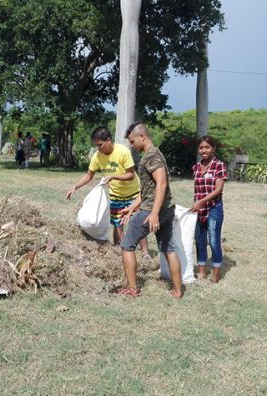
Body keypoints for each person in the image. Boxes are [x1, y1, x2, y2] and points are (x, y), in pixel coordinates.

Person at [119, 122, 183, 298]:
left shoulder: (152, 155)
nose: (132, 145)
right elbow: (150, 188)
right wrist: (132, 207)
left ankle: (132, 289)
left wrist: (154, 213)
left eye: (132, 141)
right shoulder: (153, 154)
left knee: (127, 245)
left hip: (153, 211)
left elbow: (162, 183)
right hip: (165, 209)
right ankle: (177, 291)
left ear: (142, 136)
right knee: (169, 249)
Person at [66, 126, 150, 257]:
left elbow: (131, 175)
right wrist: (75, 186)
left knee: (137, 224)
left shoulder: (123, 152)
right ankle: (119, 252)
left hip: (133, 194)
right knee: (117, 225)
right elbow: (89, 175)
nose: (98, 148)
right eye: (96, 145)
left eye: (100, 145)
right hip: (116, 195)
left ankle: (145, 253)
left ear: (109, 140)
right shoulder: (97, 156)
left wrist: (113, 176)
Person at [190, 136, 227, 283]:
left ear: (213, 149)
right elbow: (197, 190)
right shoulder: (196, 167)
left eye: (207, 147)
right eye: (201, 148)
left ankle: (216, 274)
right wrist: (195, 204)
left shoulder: (219, 165)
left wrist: (201, 202)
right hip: (199, 209)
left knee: (213, 241)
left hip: (214, 208)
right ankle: (202, 271)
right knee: (199, 240)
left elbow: (218, 190)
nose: (204, 150)